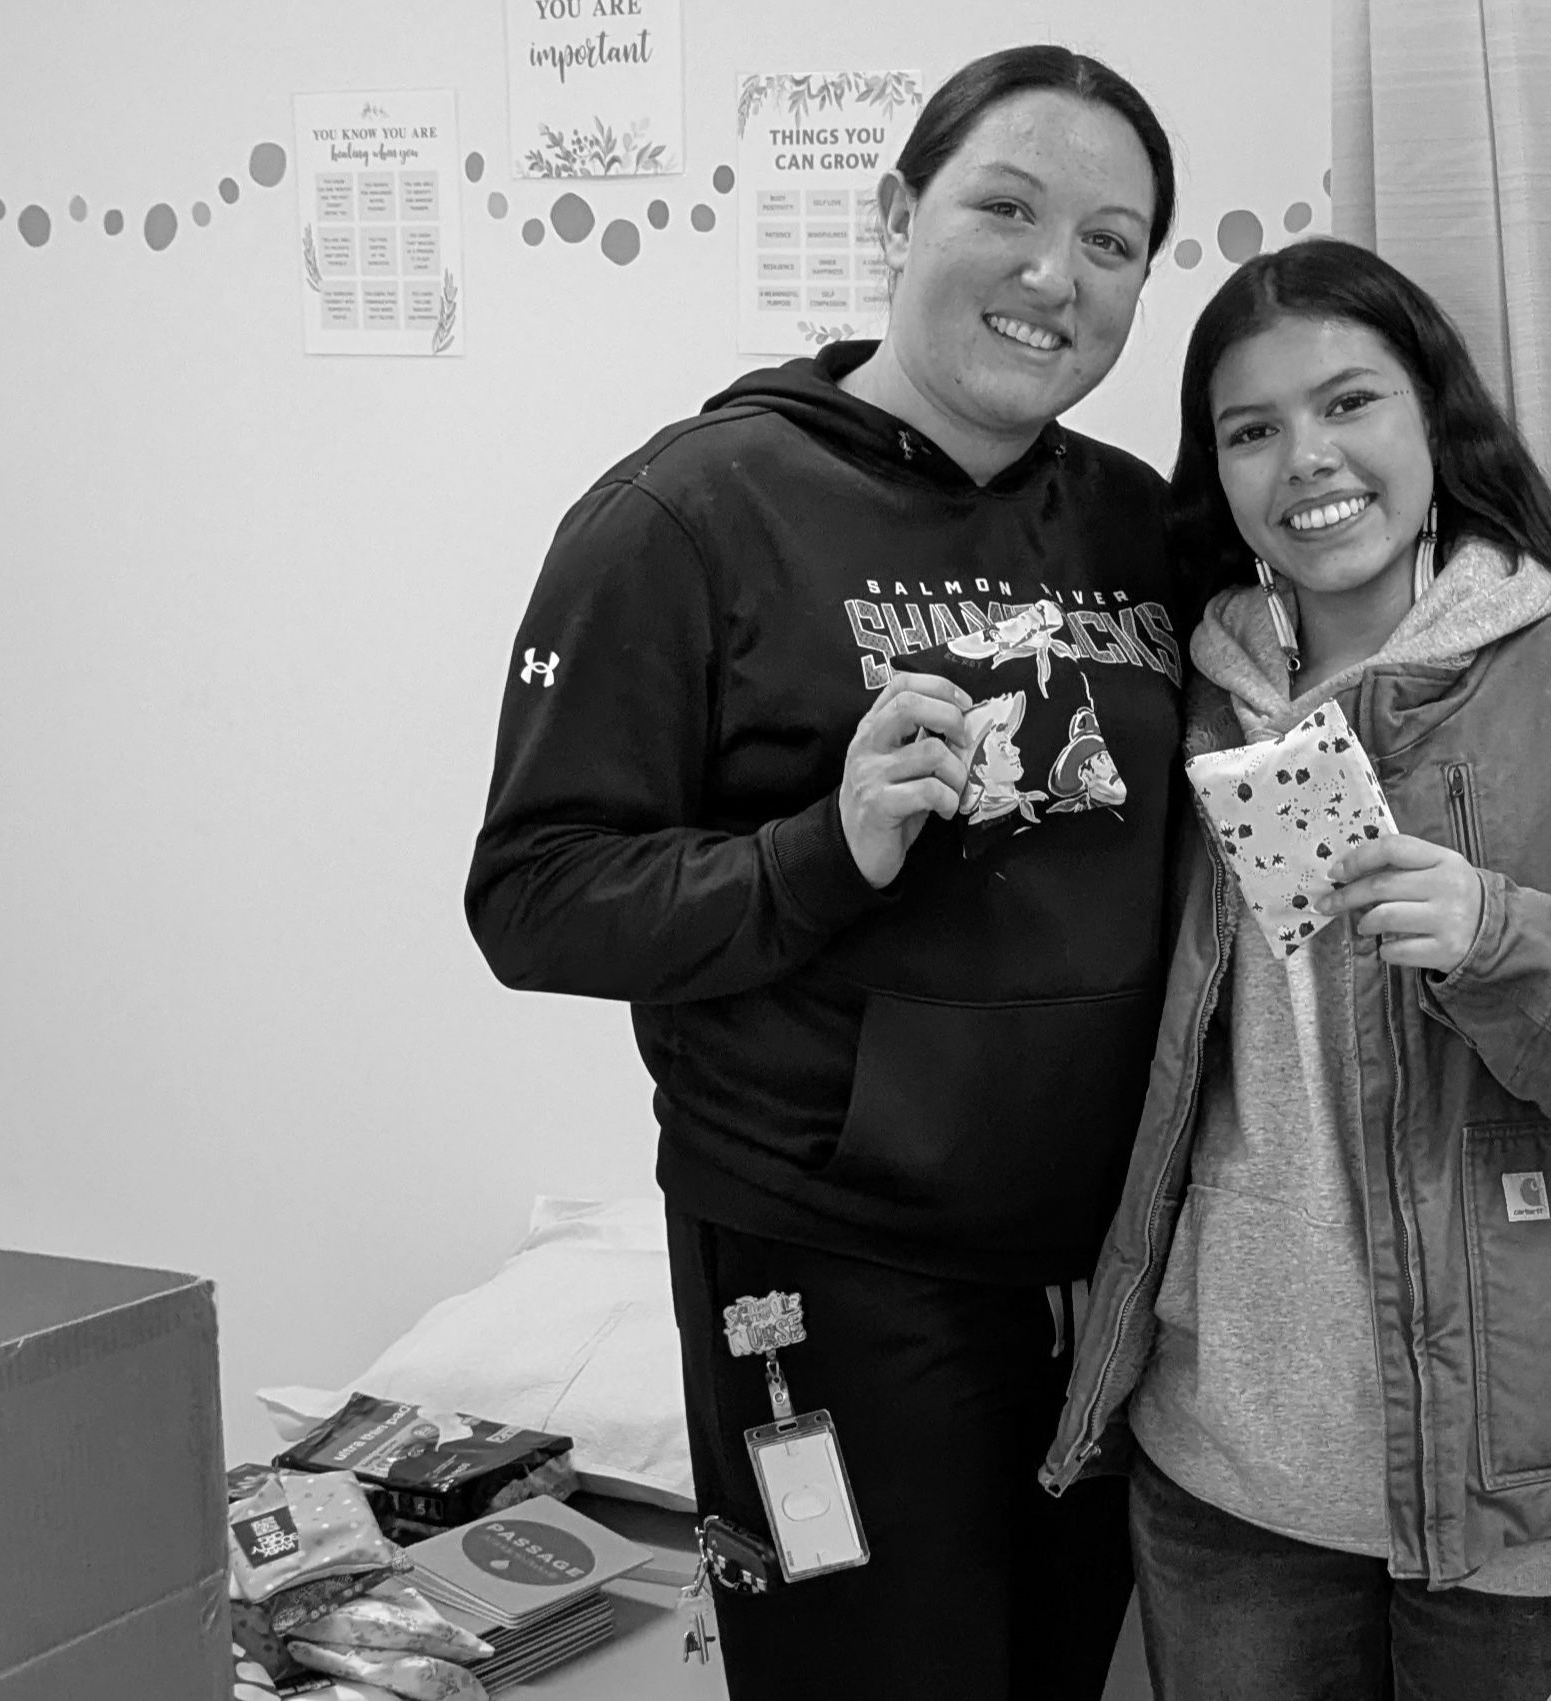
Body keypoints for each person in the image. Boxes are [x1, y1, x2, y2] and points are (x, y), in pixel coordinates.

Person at [1042, 238, 1551, 1701]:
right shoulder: (1175, 704)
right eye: (1251, 429)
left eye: (1349, 402)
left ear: (1436, 421)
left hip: (1531, 1494)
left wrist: (1505, 938)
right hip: (1230, 1467)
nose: (1308, 458)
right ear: (1215, 472)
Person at [466, 45, 1183, 1701]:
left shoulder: (1141, 526)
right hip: (826, 1267)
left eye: (1110, 240)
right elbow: (535, 894)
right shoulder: (691, 513)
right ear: (896, 215)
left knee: (1049, 1672)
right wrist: (825, 850)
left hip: (1101, 1264)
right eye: (1004, 208)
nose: (1048, 273)